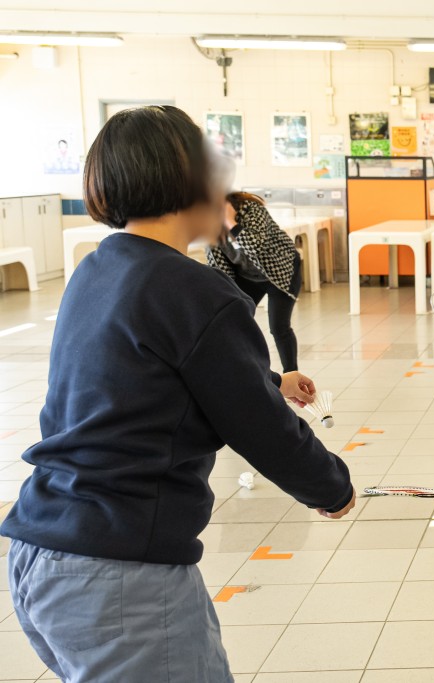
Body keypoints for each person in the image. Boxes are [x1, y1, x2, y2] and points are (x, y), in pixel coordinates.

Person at [1, 106, 355, 683]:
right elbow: (257, 425)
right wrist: (331, 488)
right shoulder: (197, 290)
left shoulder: (98, 270)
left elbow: (138, 379)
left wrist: (271, 379)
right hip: (119, 574)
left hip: (42, 550)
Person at [207, 191, 303, 372]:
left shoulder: (251, 210)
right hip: (247, 276)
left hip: (280, 270)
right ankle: (249, 371)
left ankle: (292, 375)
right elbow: (217, 263)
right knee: (233, 321)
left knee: (279, 327)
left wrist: (231, 223)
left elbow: (256, 245)